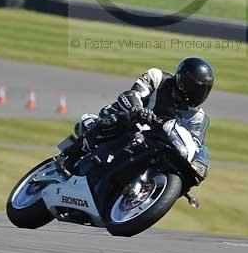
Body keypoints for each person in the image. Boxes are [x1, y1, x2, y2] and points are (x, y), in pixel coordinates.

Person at [61, 57, 214, 172]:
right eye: (192, 87)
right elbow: (132, 94)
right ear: (181, 79)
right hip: (128, 119)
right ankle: (69, 157)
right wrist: (138, 109)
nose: (196, 94)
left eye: (201, 90)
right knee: (118, 119)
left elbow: (195, 143)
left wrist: (199, 161)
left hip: (154, 141)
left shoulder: (197, 116)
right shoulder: (158, 78)